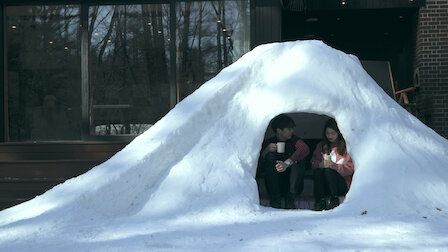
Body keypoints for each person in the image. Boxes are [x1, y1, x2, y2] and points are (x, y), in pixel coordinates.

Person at [259, 114, 310, 209]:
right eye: (289, 129)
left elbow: (305, 149)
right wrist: (265, 151)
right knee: (270, 156)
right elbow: (257, 166)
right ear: (279, 130)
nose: (292, 131)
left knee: (299, 158)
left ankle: (290, 199)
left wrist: (287, 163)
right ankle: (275, 199)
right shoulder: (269, 142)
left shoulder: (294, 141)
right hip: (274, 184)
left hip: (292, 185)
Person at [310, 118, 354, 211]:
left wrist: (334, 166)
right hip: (325, 184)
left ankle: (334, 199)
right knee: (319, 172)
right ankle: (320, 201)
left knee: (329, 170)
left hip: (341, 184)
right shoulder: (322, 146)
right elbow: (313, 163)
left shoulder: (346, 147)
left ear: (339, 133)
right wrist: (320, 165)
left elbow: (350, 169)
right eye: (328, 133)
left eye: (333, 133)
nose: (330, 136)